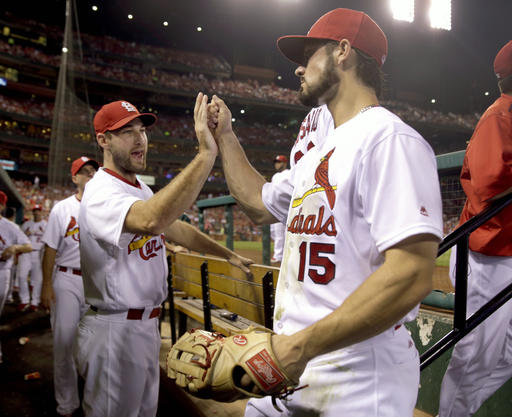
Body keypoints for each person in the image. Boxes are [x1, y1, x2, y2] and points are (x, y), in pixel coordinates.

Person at [208, 8, 443, 416]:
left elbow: (411, 272)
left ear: (343, 52)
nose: (299, 69)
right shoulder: (318, 153)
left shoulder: (389, 139)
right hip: (293, 364)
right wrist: (225, 136)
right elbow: (259, 203)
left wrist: (296, 348)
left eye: (309, 54)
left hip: (357, 380)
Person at [74, 97, 253, 417]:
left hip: (143, 326)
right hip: (115, 329)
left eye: (141, 130)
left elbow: (175, 228)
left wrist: (227, 254)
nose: (140, 137)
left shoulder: (137, 187)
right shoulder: (100, 190)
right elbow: (151, 220)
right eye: (126, 131)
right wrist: (205, 153)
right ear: (103, 140)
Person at [438, 40, 512, 417]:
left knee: (506, 353)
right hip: (485, 256)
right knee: (474, 358)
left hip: (504, 254)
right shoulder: (499, 117)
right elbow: (487, 187)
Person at [40, 156, 99, 417]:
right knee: (64, 342)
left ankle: (93, 399)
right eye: (84, 172)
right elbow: (50, 250)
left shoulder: (105, 208)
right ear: (74, 178)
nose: (90, 176)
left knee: (95, 345)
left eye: (94, 172)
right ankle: (67, 404)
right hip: (66, 279)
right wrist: (45, 286)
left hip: (97, 281)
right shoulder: (61, 209)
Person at [0, 191, 32, 363]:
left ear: (2, 206)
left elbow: (28, 246)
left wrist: (14, 249)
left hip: (2, 271)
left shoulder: (10, 226)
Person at [19, 204, 47, 311]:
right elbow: (19, 239)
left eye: (38, 210)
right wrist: (25, 234)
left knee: (37, 279)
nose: (36, 213)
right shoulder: (26, 224)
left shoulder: (46, 225)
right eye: (34, 210)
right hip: (26, 252)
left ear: (41, 212)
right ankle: (24, 300)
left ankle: (35, 301)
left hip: (39, 253)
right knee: (21, 276)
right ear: (32, 212)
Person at [270, 155, 289, 263]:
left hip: (284, 207)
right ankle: (281, 254)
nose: (277, 164)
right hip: (275, 208)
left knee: (281, 234)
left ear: (285, 163)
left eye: (279, 162)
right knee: (274, 232)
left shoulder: (289, 173)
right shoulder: (275, 176)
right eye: (276, 162)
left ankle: (278, 256)